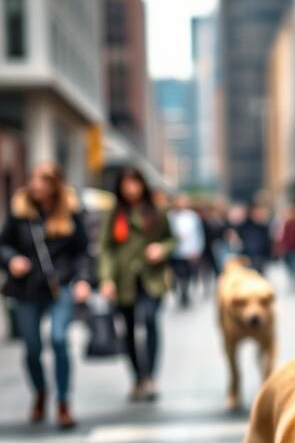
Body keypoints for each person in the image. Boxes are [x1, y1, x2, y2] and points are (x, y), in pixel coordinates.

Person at [0, 162, 91, 428]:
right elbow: (3, 244)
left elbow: (84, 250)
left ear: (55, 184)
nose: (37, 184)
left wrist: (83, 280)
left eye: (44, 180)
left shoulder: (71, 212)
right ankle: (40, 392)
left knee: (60, 339)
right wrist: (12, 259)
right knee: (32, 348)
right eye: (34, 178)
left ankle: (63, 402)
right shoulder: (20, 212)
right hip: (27, 289)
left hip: (59, 286)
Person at [99, 167, 175, 402]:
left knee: (151, 321)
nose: (131, 189)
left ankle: (150, 376)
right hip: (124, 280)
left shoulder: (156, 209)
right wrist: (106, 278)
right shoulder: (115, 212)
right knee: (129, 329)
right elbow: (106, 248)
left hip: (151, 279)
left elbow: (171, 238)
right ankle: (137, 378)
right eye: (126, 184)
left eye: (135, 183)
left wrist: (162, 248)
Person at [168, 194, 205, 308]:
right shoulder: (170, 216)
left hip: (189, 251)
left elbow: (198, 234)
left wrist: (197, 249)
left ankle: (185, 292)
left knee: (187, 274)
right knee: (177, 273)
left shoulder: (193, 217)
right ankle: (179, 291)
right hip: (175, 251)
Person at [275, 205, 295, 290]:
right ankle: (294, 276)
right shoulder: (285, 223)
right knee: (288, 262)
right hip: (287, 247)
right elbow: (282, 236)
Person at [236, 204, 272, 275]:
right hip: (248, 255)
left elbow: (267, 241)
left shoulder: (263, 227)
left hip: (260, 256)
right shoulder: (245, 226)